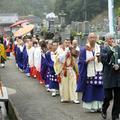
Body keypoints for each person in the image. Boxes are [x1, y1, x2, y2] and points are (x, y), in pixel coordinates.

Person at [76, 33, 104, 112]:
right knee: (90, 89)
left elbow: (102, 59)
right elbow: (80, 62)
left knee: (99, 88)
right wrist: (88, 60)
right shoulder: (84, 49)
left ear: (96, 38)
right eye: (91, 37)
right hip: (89, 72)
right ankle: (91, 107)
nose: (92, 39)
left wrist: (100, 58)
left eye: (94, 37)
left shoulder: (100, 47)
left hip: (98, 71)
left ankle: (99, 106)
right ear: (88, 39)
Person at [101, 33, 120, 120]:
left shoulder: (118, 48)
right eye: (110, 39)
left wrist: (119, 65)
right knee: (108, 97)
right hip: (108, 76)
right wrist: (111, 50)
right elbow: (104, 60)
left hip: (117, 76)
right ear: (107, 40)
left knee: (118, 97)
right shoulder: (104, 49)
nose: (112, 40)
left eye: (113, 38)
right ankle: (104, 109)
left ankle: (115, 115)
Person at [54, 38, 79, 103]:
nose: (67, 44)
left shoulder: (72, 49)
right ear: (63, 43)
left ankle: (74, 98)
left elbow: (76, 57)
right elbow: (60, 59)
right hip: (63, 69)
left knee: (73, 84)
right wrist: (66, 52)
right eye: (66, 42)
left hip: (71, 69)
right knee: (64, 84)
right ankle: (64, 98)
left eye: (68, 42)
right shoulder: (59, 50)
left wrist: (72, 52)